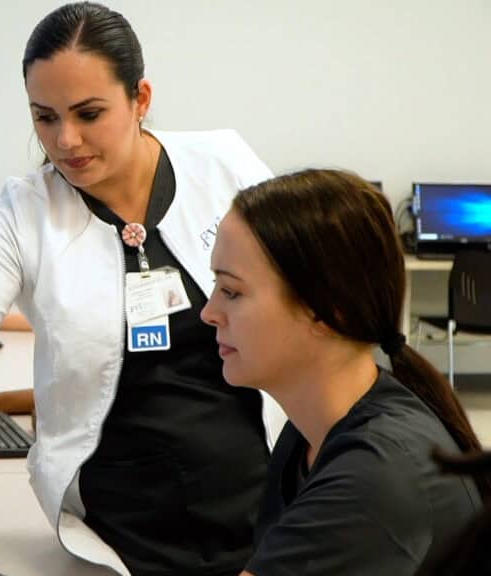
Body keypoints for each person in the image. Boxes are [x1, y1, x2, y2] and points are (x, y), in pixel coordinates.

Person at [0, 3, 285, 574]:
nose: (66, 140)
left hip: (260, 500)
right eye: (44, 117)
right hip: (121, 523)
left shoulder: (223, 166)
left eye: (89, 113)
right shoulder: (26, 213)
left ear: (140, 99)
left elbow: (311, 287)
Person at [198, 169, 487, 575]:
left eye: (231, 291)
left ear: (327, 312)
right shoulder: (309, 434)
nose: (208, 313)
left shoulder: (375, 473)